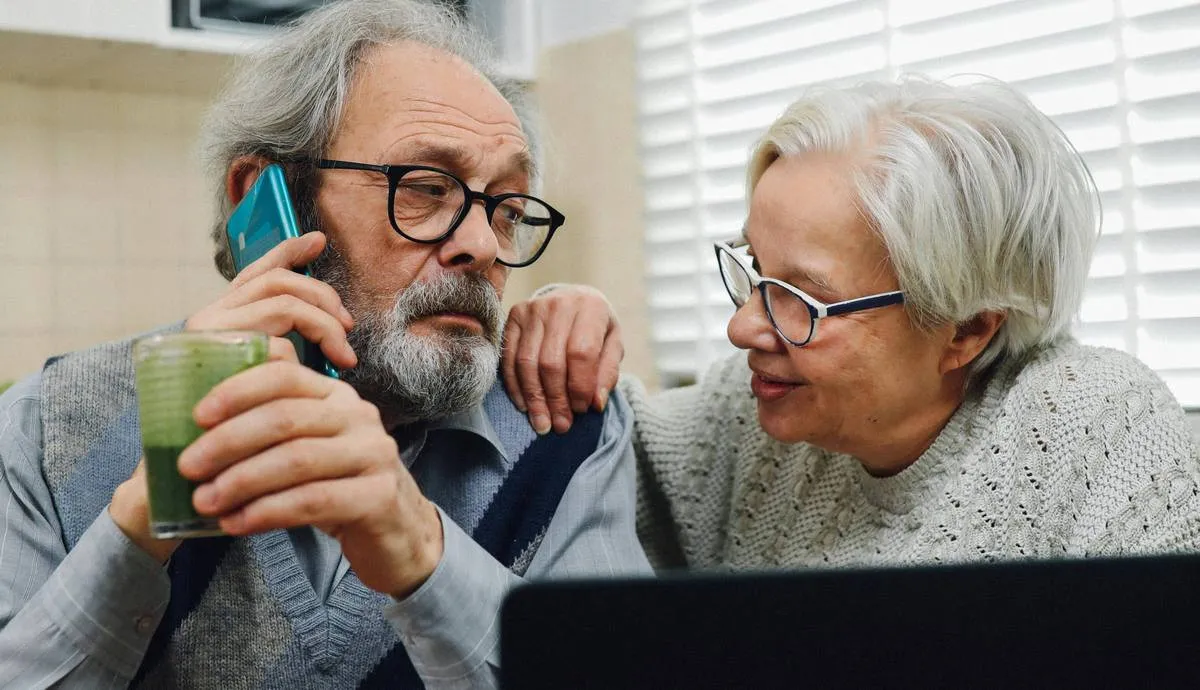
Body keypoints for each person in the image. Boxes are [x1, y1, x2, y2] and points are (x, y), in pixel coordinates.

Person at [0, 1, 648, 687]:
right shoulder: (51, 423)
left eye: (509, 210)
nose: (484, 245)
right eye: (426, 189)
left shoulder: (566, 427)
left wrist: (423, 556)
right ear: (265, 195)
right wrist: (139, 524)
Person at [505, 76, 1200, 572]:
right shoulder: (747, 415)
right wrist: (571, 319)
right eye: (752, 267)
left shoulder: (1104, 432)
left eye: (801, 299)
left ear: (967, 331)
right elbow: (590, 451)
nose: (743, 329)